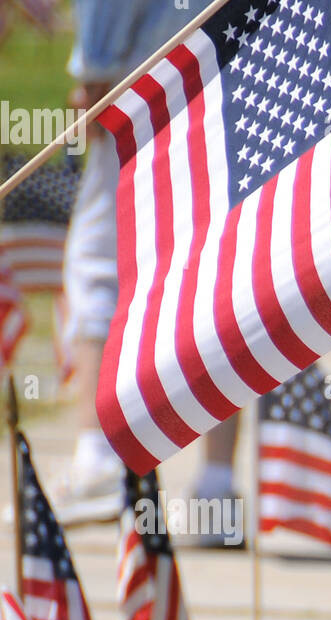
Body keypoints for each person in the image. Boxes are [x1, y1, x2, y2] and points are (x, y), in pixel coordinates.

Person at [57, 0, 240, 539]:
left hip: (142, 96)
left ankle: (99, 457)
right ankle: (218, 483)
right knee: (217, 278)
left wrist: (89, 85)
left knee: (100, 267)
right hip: (221, 85)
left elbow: (102, 35)